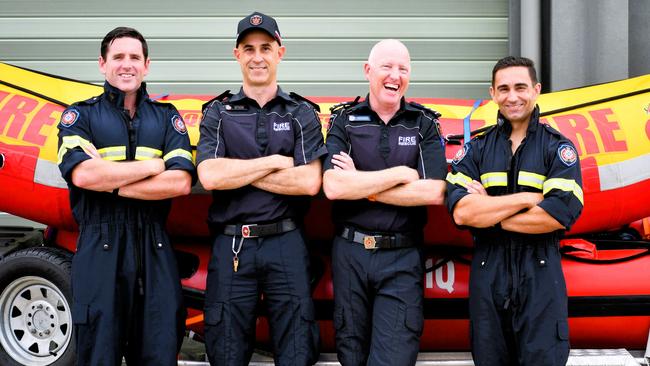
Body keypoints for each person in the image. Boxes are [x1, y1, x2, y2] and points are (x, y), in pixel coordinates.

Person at [57, 27, 195, 365]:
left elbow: (179, 183)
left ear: (147, 65)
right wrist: (153, 165)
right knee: (98, 354)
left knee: (159, 351)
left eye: (135, 57)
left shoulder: (166, 118)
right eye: (118, 57)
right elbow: (83, 174)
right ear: (103, 64)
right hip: (99, 246)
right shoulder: (80, 116)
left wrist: (111, 179)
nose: (127, 65)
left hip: (155, 247)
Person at [196, 11, 323, 366]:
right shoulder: (218, 114)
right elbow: (210, 177)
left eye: (265, 47)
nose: (257, 57)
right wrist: (277, 162)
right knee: (226, 351)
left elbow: (310, 182)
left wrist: (237, 169)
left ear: (280, 52)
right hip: (233, 244)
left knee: (297, 349)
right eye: (248, 48)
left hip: (287, 243)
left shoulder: (302, 113)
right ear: (236, 54)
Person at [446, 56, 584, 366]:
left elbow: (556, 215)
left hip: (540, 276)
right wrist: (527, 198)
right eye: (504, 88)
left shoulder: (558, 150)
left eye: (520, 87)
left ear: (536, 90)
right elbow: (463, 214)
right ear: (492, 93)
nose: (512, 96)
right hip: (488, 275)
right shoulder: (476, 150)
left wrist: (490, 215)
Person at [322, 39, 447, 366]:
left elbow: (433, 192)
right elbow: (334, 187)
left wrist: (361, 182)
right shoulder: (344, 121)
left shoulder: (423, 124)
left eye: (403, 69)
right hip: (350, 255)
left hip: (402, 258)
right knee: (352, 356)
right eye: (387, 67)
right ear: (368, 71)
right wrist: (402, 174)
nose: (395, 75)